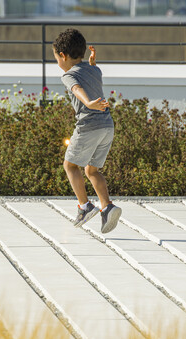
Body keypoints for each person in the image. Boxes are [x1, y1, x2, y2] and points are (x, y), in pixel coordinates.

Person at [52, 28, 122, 234]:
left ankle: (84, 206)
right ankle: (107, 207)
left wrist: (89, 102)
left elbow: (76, 89)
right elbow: (90, 75)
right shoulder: (95, 70)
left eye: (56, 58)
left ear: (63, 56)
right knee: (92, 170)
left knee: (70, 165)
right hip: (107, 126)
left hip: (88, 126)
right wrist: (92, 64)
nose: (57, 62)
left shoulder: (68, 75)